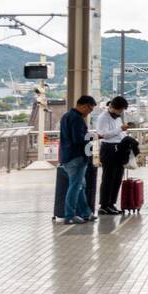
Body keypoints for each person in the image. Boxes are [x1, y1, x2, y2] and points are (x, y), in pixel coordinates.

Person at [59, 95, 97, 225]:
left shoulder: (66, 116)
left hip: (67, 155)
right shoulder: (77, 119)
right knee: (75, 186)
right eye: (90, 110)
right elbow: (78, 139)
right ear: (85, 105)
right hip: (76, 156)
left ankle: (86, 213)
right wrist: (92, 136)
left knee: (80, 185)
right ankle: (69, 215)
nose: (89, 113)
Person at [95, 96, 129, 215]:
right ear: (113, 107)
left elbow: (121, 133)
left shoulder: (118, 117)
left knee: (117, 178)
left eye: (122, 111)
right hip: (108, 149)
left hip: (119, 148)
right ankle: (104, 205)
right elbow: (103, 134)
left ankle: (111, 203)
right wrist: (120, 129)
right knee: (108, 178)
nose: (121, 113)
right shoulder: (103, 118)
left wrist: (125, 137)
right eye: (120, 110)